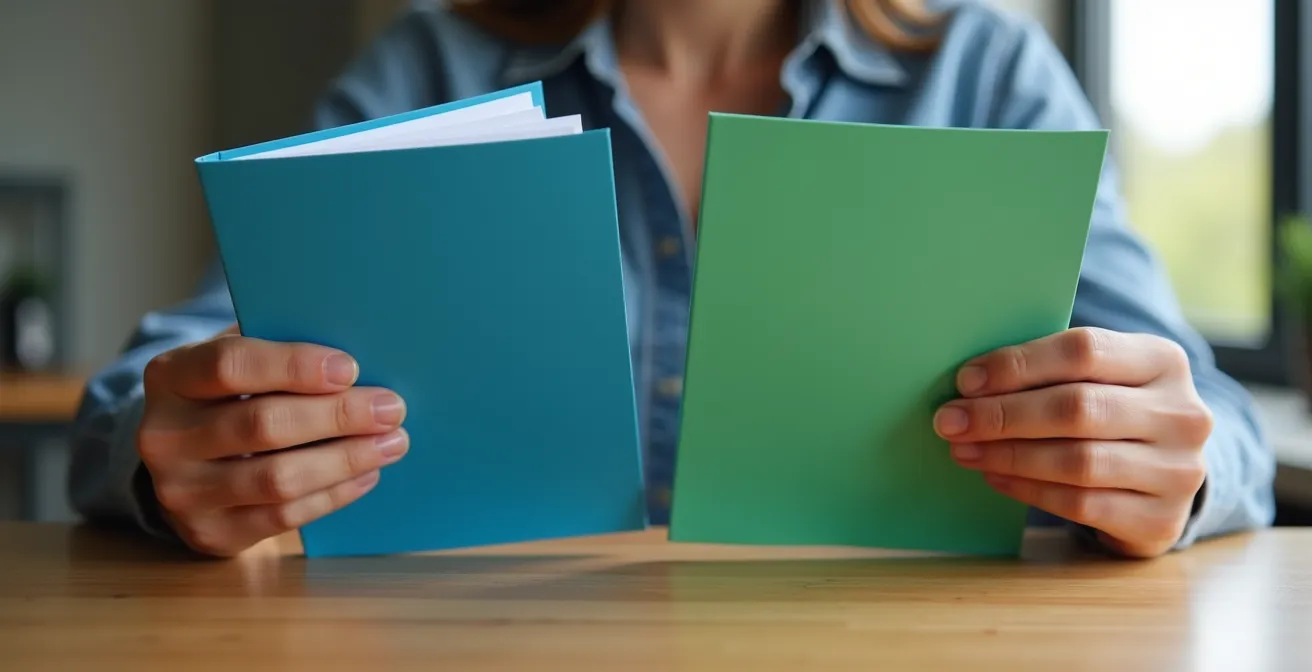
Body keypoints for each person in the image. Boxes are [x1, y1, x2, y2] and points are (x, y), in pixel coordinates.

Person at [68, 0, 1275, 559]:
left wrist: (1169, 468)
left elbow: (1217, 429)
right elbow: (139, 397)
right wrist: (170, 460)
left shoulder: (989, 72)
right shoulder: (426, 70)